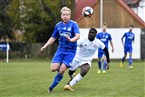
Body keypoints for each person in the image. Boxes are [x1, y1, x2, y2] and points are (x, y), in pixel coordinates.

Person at [40, 7, 80, 92]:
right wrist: (45, 46)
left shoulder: (74, 24)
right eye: (63, 15)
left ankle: (51, 88)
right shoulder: (58, 25)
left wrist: (71, 40)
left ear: (70, 16)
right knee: (53, 68)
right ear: (61, 16)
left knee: (61, 69)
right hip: (60, 49)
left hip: (71, 51)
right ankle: (64, 69)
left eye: (67, 15)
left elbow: (78, 35)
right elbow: (53, 37)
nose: (65, 16)